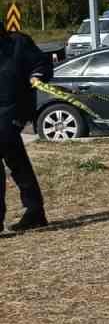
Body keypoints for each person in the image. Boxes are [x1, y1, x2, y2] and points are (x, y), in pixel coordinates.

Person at [0, 27, 51, 235]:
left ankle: (33, 211)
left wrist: (37, 75)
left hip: (13, 109)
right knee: (17, 160)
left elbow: (42, 64)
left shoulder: (18, 42)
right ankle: (35, 211)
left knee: (10, 153)